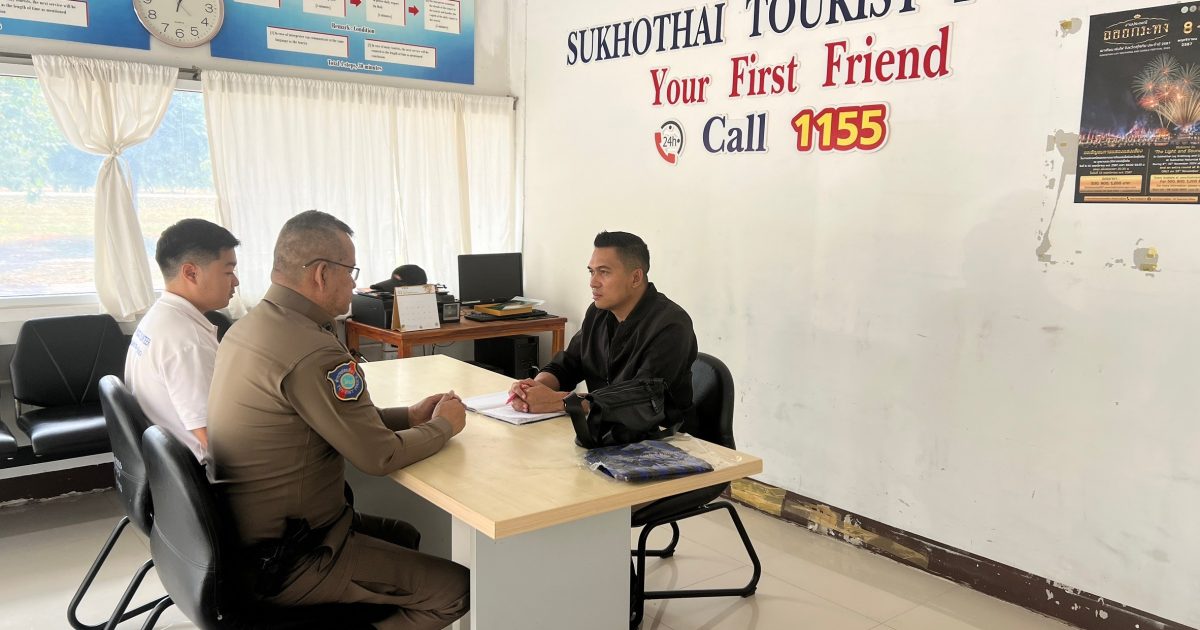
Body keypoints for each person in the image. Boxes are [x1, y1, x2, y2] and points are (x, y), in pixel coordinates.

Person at [207, 210, 469, 630]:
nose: (353, 283)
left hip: (252, 539)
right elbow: (379, 457)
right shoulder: (313, 350)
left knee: (404, 535)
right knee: (457, 590)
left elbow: (332, 420)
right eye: (350, 271)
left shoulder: (249, 327)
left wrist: (410, 415)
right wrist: (445, 426)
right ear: (321, 274)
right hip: (292, 556)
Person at [508, 231, 698, 431]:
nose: (593, 282)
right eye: (591, 272)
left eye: (604, 272)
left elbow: (640, 399)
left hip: (666, 438)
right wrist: (533, 388)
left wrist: (559, 402)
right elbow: (568, 364)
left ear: (635, 277)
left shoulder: (672, 324)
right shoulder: (598, 313)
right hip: (607, 431)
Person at [125, 218, 239, 463]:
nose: (235, 282)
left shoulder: (157, 318)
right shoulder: (188, 342)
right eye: (228, 272)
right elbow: (214, 439)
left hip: (167, 466)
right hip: (204, 470)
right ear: (191, 273)